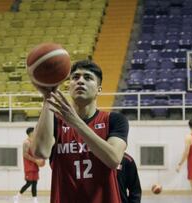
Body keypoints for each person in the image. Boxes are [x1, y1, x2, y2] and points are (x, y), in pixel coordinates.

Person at [31, 60, 129, 203]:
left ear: (99, 89)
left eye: (88, 78)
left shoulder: (115, 120)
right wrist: (48, 97)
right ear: (69, 86)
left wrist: (75, 122)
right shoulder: (55, 121)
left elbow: (113, 159)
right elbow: (40, 152)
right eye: (75, 77)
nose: (80, 81)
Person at [14, 127, 44, 203]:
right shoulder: (26, 143)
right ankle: (17, 196)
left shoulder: (34, 142)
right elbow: (25, 155)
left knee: (35, 182)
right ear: (30, 133)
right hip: (29, 165)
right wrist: (36, 161)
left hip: (35, 165)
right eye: (34, 131)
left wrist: (41, 159)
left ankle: (35, 199)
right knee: (29, 182)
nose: (35, 133)